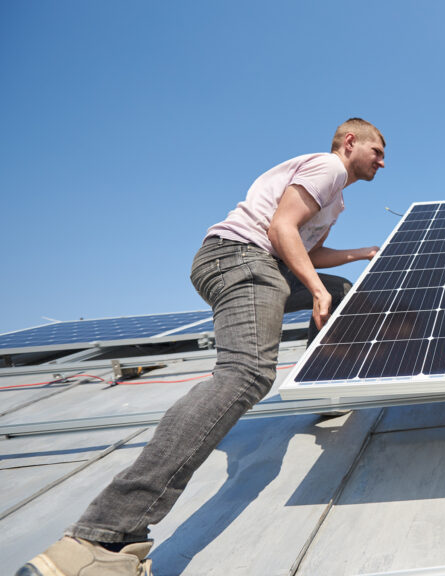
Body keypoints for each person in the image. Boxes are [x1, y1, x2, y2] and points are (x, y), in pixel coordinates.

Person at [20, 118, 386, 576]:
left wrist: (359, 253)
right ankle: (101, 539)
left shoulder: (337, 200)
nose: (383, 161)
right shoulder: (327, 168)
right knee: (247, 373)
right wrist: (314, 289)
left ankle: (324, 384)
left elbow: (306, 253)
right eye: (377, 150)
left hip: (262, 263)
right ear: (350, 143)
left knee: (343, 285)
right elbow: (280, 228)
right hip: (242, 256)